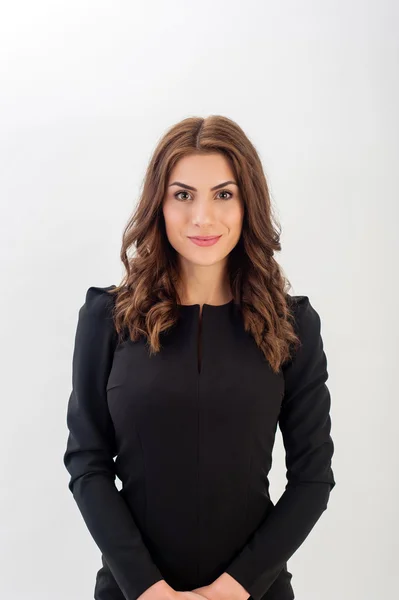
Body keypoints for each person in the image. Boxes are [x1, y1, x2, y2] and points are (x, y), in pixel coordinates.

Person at [63, 115, 336, 600]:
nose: (202, 218)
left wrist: (229, 592)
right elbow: (87, 463)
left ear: (248, 203)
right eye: (183, 195)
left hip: (255, 592)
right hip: (132, 593)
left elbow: (312, 479)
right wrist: (150, 590)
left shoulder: (292, 326)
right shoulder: (108, 318)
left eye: (224, 195)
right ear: (159, 206)